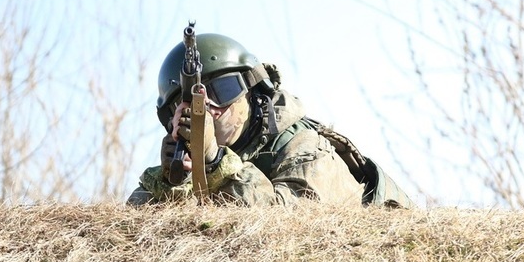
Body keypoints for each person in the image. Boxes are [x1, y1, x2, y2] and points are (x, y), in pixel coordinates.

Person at [127, 30, 414, 208]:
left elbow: (282, 229)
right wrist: (173, 182)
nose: (210, 109)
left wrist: (215, 162)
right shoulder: (183, 162)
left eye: (224, 90)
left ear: (252, 92)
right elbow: (136, 237)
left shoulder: (304, 147)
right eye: (186, 103)